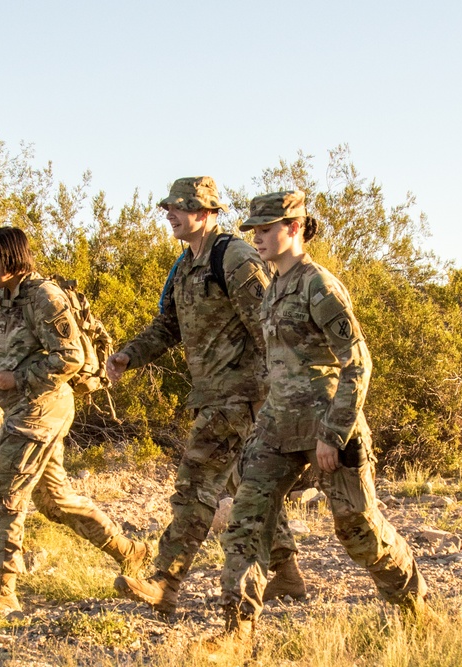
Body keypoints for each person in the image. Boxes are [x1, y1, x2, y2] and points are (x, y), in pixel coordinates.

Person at [219, 190, 428, 639]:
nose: (258, 237)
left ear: (294, 227)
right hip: (277, 425)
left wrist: (334, 434)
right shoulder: (273, 286)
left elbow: (358, 363)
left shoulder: (319, 285)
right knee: (246, 521)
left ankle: (413, 606)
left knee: (358, 529)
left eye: (267, 228)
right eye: (254, 229)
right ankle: (235, 634)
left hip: (327, 421)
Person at [109, 177, 303, 615]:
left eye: (181, 207)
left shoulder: (234, 256)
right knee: (248, 485)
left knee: (195, 484)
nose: (171, 214)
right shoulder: (184, 265)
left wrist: (281, 393)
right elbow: (168, 326)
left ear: (208, 213)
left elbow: (268, 325)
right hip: (215, 394)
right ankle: (288, 575)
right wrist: (128, 355)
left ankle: (166, 581)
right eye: (169, 208)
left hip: (240, 396)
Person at [0, 227, 147, 618]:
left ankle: (5, 589)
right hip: (18, 408)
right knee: (54, 501)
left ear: (13, 259)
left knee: (3, 488)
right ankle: (130, 551)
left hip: (45, 407)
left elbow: (72, 357)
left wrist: (19, 378)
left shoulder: (45, 297)